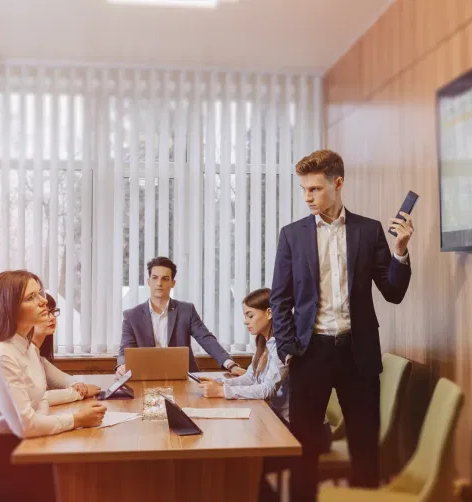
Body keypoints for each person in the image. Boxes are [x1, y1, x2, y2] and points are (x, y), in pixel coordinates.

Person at [270, 149, 414, 502]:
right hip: (310, 354)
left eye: (315, 189)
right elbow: (280, 300)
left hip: (358, 355)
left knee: (365, 450)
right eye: (304, 189)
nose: (307, 197)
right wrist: (290, 352)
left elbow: (393, 292)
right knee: (303, 453)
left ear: (338, 184)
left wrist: (400, 252)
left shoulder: (369, 231)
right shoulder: (292, 235)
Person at [0, 270, 107, 502]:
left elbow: (39, 402)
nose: (43, 301)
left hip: (12, 449)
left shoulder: (27, 348)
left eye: (40, 293)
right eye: (31, 297)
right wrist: (77, 420)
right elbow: (26, 426)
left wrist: (52, 409)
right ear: (8, 307)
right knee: (71, 478)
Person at [116, 256, 246, 376]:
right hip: (146, 376)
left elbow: (206, 339)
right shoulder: (131, 316)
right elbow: (125, 350)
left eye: (165, 279)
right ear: (148, 281)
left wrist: (230, 364)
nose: (159, 283)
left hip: (183, 377)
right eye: (155, 278)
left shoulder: (186, 310)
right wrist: (122, 365)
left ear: (173, 283)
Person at [197, 288, 288, 422]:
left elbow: (268, 389)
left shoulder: (282, 345)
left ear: (269, 313)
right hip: (272, 416)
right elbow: (250, 378)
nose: (246, 321)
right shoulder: (263, 342)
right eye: (245, 316)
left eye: (250, 316)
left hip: (292, 424)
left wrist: (222, 391)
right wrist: (220, 383)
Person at [32, 293, 101, 404]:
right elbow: (37, 399)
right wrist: (79, 393)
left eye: (53, 312)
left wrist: (77, 385)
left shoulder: (37, 354)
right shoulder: (22, 352)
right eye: (45, 313)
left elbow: (61, 379)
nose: (52, 318)